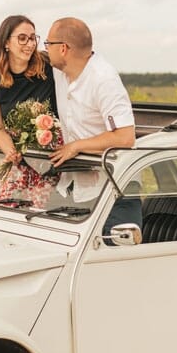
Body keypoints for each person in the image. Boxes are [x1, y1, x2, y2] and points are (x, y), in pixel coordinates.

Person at [44, 16, 141, 239]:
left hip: (116, 193)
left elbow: (126, 137)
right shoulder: (60, 71)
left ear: (64, 48)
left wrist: (76, 146)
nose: (45, 49)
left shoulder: (104, 80)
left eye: (48, 44)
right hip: (76, 188)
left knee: (112, 264)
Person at [0, 15, 58, 205]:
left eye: (33, 38)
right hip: (17, 153)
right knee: (5, 204)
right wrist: (11, 152)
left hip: (50, 156)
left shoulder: (48, 68)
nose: (30, 44)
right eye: (22, 38)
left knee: (36, 210)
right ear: (6, 42)